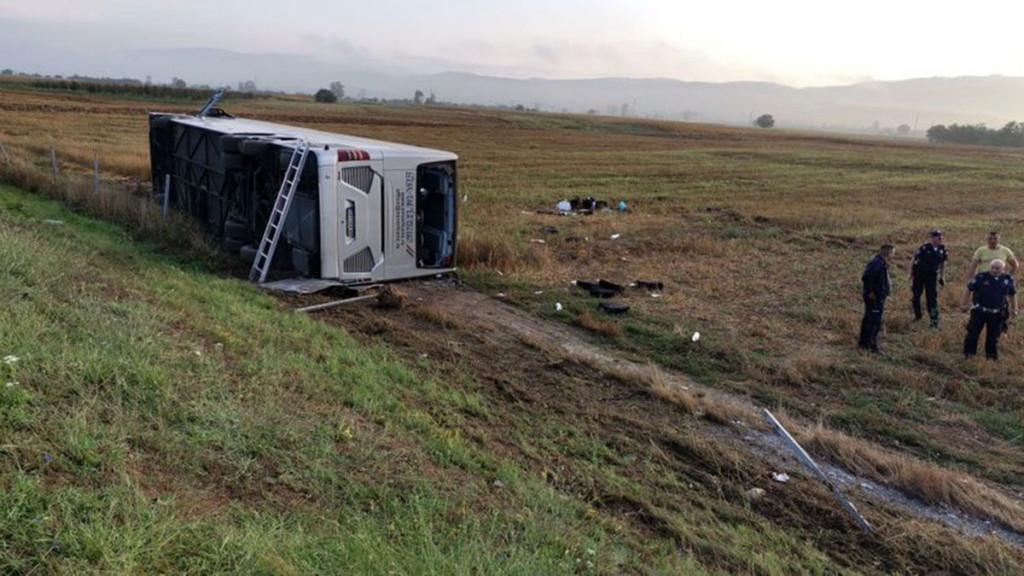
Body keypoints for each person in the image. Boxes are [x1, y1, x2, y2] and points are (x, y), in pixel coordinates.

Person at [961, 259, 1018, 360]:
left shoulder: (1007, 279)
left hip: (997, 314)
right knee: (972, 334)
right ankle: (969, 355)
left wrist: (1014, 308)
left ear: (1002, 269)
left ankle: (991, 358)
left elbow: (1012, 294)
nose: (995, 270)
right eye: (993, 268)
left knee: (993, 337)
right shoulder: (981, 277)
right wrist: (964, 303)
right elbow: (969, 289)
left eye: (997, 268)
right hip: (980, 311)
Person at [967, 231, 1018, 332]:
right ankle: (975, 328)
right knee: (978, 309)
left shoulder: (1005, 250)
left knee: (1001, 308)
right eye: (990, 239)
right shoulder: (981, 251)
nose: (992, 241)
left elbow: (1015, 265)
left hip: (999, 285)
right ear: (987, 239)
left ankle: (1000, 329)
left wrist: (1008, 277)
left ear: (999, 239)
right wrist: (971, 280)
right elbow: (973, 266)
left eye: (995, 239)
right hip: (983, 284)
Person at [859, 244, 894, 354]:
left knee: (870, 320)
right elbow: (866, 277)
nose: (893, 256)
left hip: (878, 297)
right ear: (888, 253)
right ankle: (871, 345)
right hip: (874, 298)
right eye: (893, 253)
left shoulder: (881, 263)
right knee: (874, 322)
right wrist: (870, 292)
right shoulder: (877, 263)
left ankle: (865, 344)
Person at [909, 230, 948, 328]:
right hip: (919, 274)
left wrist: (942, 276)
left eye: (940, 238)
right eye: (936, 237)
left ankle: (934, 321)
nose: (938, 239)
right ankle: (918, 316)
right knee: (916, 296)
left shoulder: (942, 249)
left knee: (931, 299)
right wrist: (910, 273)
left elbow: (943, 263)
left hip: (932, 276)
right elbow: (914, 259)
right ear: (932, 238)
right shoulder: (925, 247)